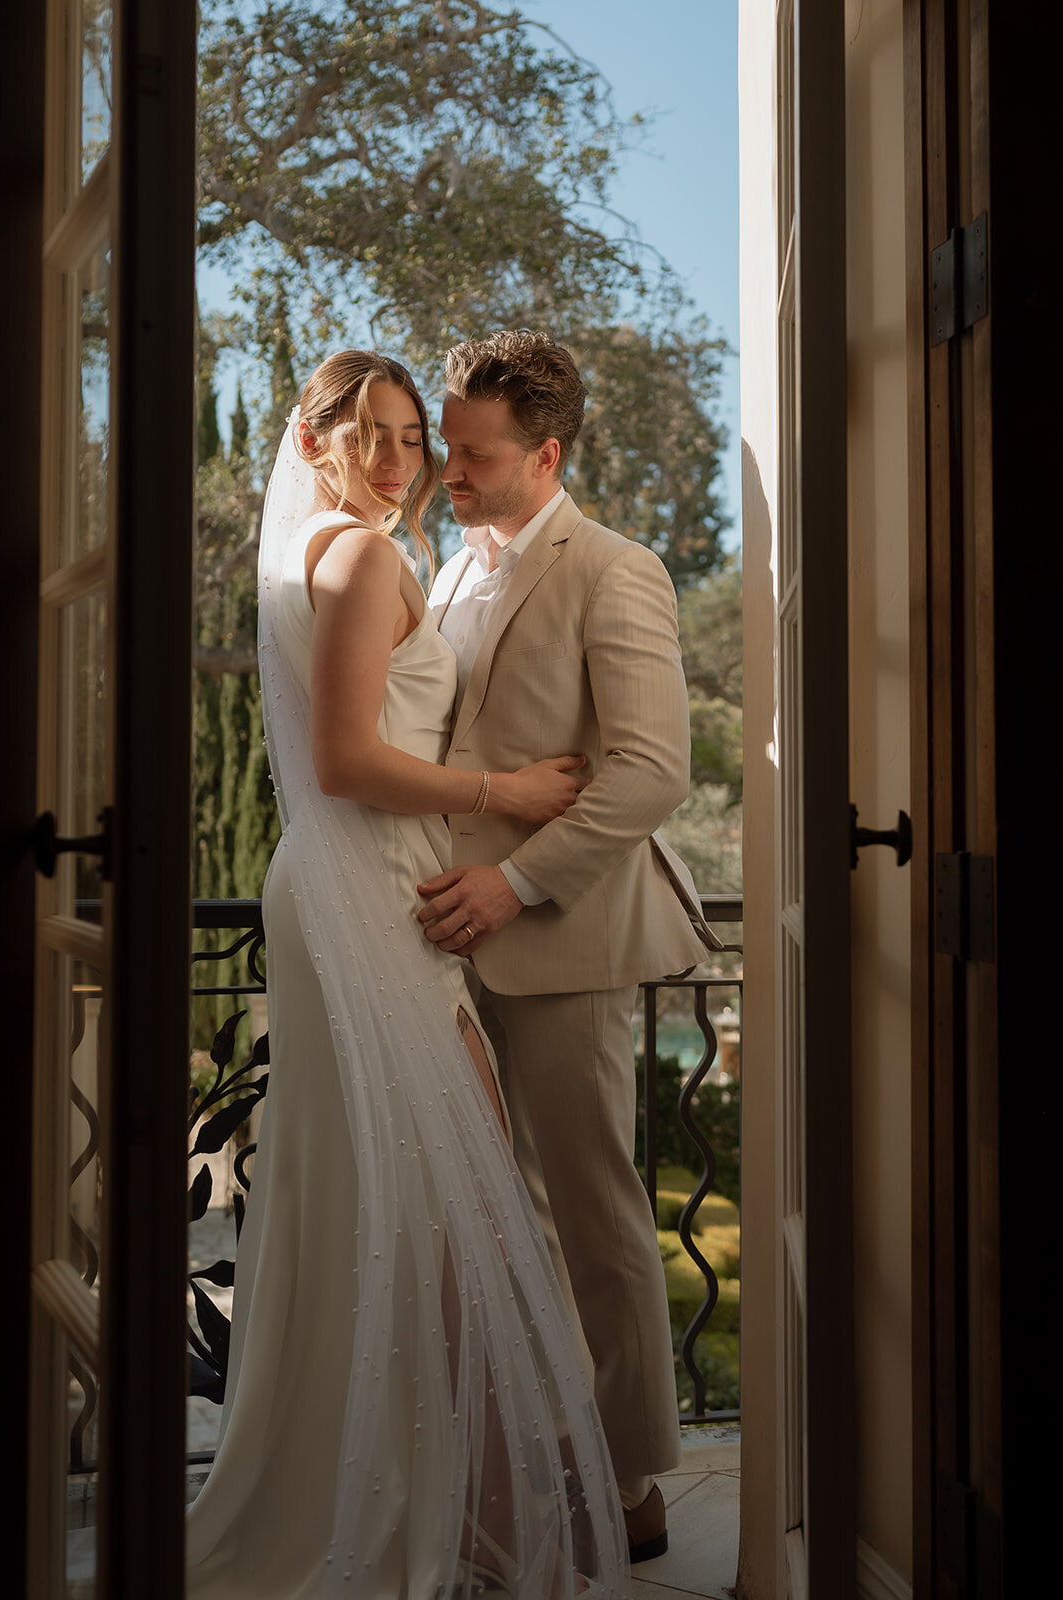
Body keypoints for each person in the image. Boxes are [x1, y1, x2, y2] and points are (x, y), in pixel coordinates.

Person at [184, 350, 628, 1599]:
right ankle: (470, 1512)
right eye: (365, 434)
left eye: (409, 437)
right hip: (367, 893)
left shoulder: (314, 549)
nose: (394, 459)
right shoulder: (365, 555)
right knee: (453, 1214)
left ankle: (410, 1489)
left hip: (350, 893)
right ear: (312, 438)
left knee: (397, 1202)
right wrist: (511, 791)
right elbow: (341, 760)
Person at [417, 330, 721, 1565]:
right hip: (442, 945)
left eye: (474, 452)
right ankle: (527, 1455)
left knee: (594, 1226)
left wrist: (517, 885)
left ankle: (633, 1487)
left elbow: (653, 769)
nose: (451, 469)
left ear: (545, 454)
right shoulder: (444, 570)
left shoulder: (615, 568)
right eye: (448, 443)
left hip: (563, 939)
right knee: (496, 1223)